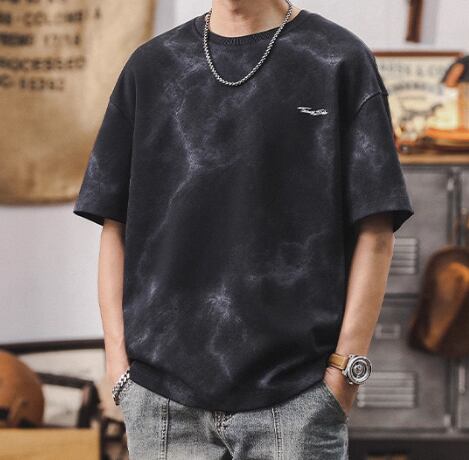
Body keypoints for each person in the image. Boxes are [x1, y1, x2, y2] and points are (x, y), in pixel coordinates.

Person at [73, 1, 414, 458]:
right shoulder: (151, 67)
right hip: (162, 403)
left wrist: (343, 374)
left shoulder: (338, 59)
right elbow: (115, 227)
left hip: (296, 399)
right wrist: (119, 368)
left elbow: (376, 231)